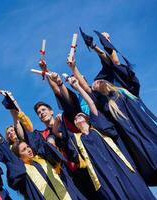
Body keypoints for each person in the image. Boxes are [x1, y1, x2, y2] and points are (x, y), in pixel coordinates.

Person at [67, 43, 157, 185]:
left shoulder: (123, 89)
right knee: (148, 159)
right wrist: (73, 67)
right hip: (130, 137)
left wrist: (96, 46)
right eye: (95, 83)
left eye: (99, 80)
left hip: (144, 128)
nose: (97, 81)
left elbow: (114, 62)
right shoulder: (102, 102)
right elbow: (85, 87)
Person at [64, 76, 155, 199]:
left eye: (80, 115)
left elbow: (91, 103)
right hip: (105, 176)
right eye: (75, 118)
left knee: (138, 193)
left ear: (87, 118)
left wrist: (77, 86)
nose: (77, 117)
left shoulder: (97, 127)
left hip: (120, 166)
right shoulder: (77, 140)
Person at [0, 120, 86, 200]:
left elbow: (40, 139)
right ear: (18, 157)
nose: (29, 150)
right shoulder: (22, 172)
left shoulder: (42, 158)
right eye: (24, 150)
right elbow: (9, 157)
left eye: (27, 147)